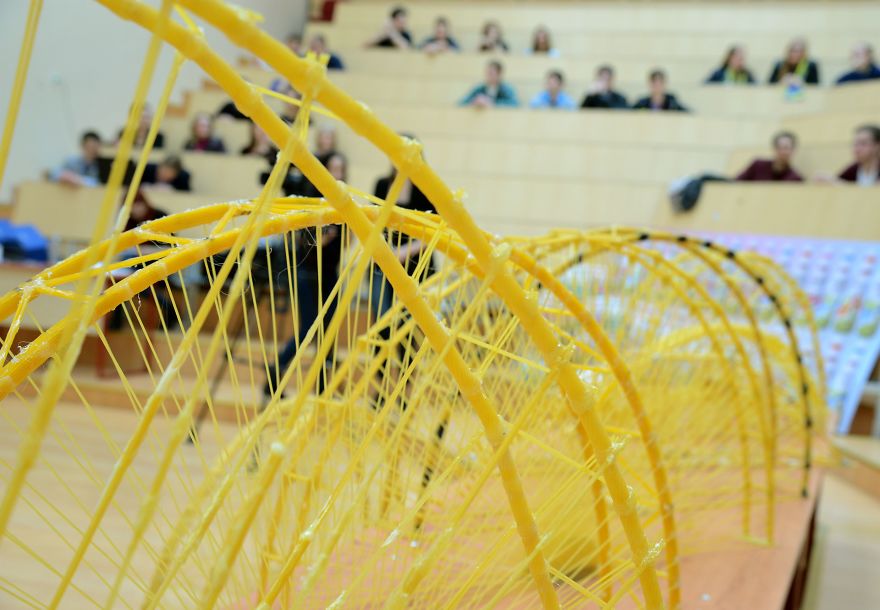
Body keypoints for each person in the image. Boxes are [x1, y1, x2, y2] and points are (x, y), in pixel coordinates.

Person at [264, 152, 348, 397]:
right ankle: (277, 366)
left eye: (339, 169)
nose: (335, 173)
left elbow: (344, 244)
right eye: (331, 168)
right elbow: (305, 244)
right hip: (307, 274)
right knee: (310, 326)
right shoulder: (311, 202)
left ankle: (321, 386)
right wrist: (322, 236)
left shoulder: (345, 205)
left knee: (327, 331)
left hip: (330, 274)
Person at [369, 143, 437, 410]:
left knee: (409, 330)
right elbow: (371, 222)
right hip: (384, 265)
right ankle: (381, 388)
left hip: (417, 266)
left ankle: (404, 391)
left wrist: (405, 251)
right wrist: (388, 253)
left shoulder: (427, 188)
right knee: (382, 326)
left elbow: (435, 230)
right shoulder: (382, 184)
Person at [736, 132, 804, 182]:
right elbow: (736, 183)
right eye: (779, 147)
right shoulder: (758, 166)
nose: (782, 151)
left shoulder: (796, 179)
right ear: (774, 149)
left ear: (793, 150)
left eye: (786, 148)